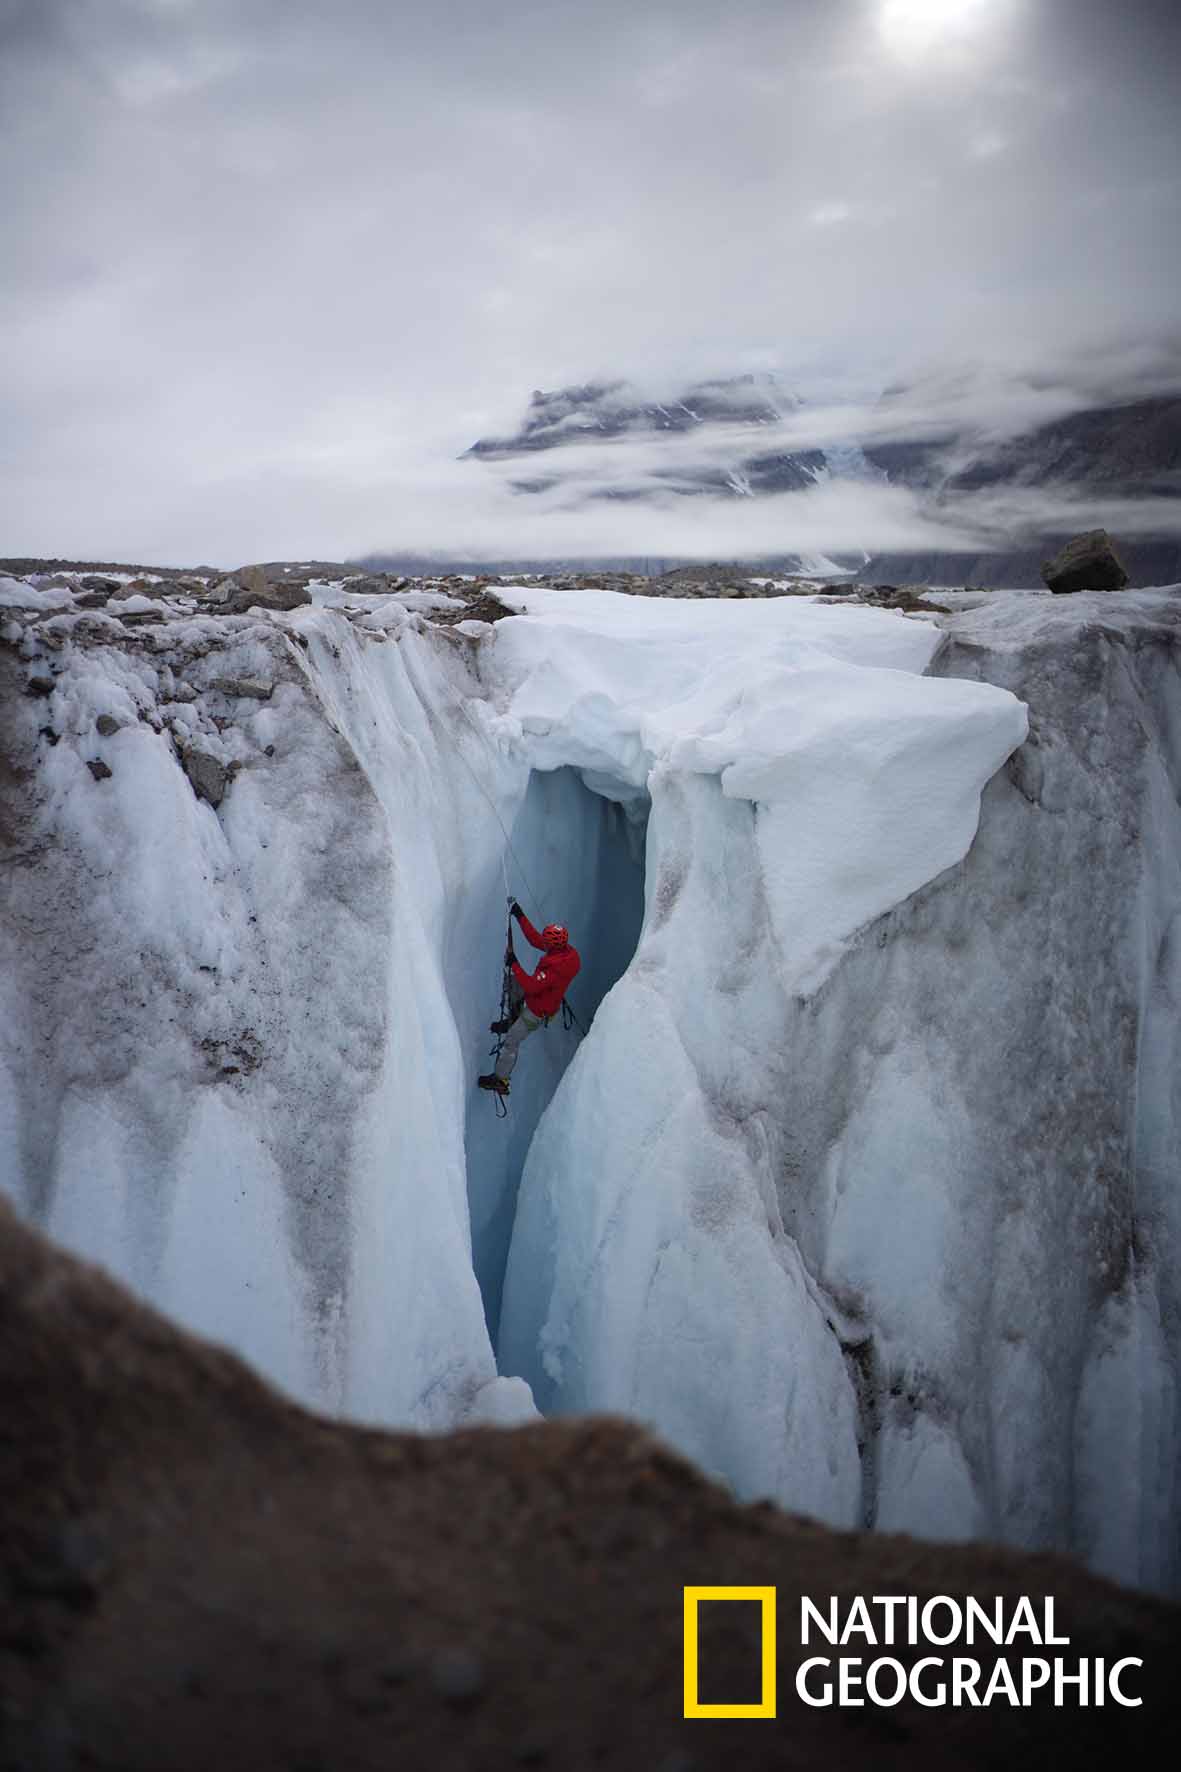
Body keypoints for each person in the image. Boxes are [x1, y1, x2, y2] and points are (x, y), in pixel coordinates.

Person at [478, 902, 581, 1097]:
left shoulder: (556, 968)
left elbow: (532, 986)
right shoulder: (567, 952)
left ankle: (500, 1080)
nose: (545, 944)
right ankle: (511, 1021)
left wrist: (514, 962)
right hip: (540, 998)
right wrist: (520, 916)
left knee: (511, 1042)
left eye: (548, 943)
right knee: (514, 983)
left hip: (537, 1010)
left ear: (554, 945)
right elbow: (536, 940)